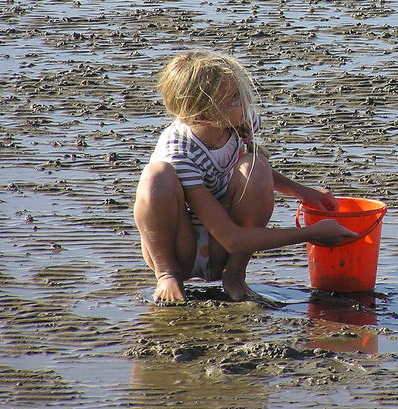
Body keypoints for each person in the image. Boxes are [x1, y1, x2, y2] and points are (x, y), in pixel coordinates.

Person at [133, 50, 355, 304]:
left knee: (256, 165)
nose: (246, 104)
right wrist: (310, 234)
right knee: (156, 175)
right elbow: (232, 238)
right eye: (235, 99)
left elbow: (251, 173)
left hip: (221, 251)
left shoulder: (238, 122)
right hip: (182, 249)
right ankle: (167, 276)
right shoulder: (179, 152)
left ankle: (235, 276)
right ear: (202, 117)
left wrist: (302, 192)